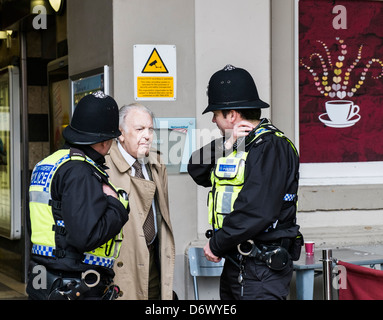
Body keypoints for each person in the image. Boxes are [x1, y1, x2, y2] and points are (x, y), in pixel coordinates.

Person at [188, 65, 302, 300]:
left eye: (216, 114)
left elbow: (256, 210)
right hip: (238, 263)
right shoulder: (237, 146)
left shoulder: (270, 147)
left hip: (261, 270)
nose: (213, 119)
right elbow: (196, 169)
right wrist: (227, 143)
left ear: (231, 115)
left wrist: (216, 243)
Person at [26, 91, 130, 300]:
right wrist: (117, 205)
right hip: (75, 286)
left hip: (45, 281)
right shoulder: (80, 171)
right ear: (103, 141)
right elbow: (86, 237)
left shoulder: (50, 163)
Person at [105, 103, 175, 300]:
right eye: (140, 129)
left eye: (150, 129)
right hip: (121, 263)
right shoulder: (105, 164)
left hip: (153, 259)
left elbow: (162, 214)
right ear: (121, 134)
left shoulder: (156, 162)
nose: (147, 135)